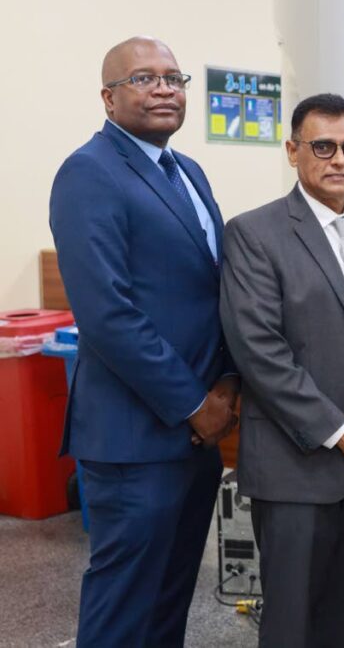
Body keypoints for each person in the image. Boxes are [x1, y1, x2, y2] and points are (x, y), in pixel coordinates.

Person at [49, 36, 237, 647]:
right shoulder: (89, 173)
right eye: (144, 78)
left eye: (174, 78)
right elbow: (107, 314)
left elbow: (213, 289)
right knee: (123, 608)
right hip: (135, 438)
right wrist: (196, 404)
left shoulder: (188, 172)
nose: (164, 88)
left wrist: (228, 384)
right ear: (108, 98)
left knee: (169, 602)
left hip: (196, 434)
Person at [219, 93, 344, 647]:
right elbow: (259, 350)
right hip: (298, 471)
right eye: (323, 146)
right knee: (291, 628)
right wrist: (343, 433)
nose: (338, 159)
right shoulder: (254, 234)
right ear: (293, 151)